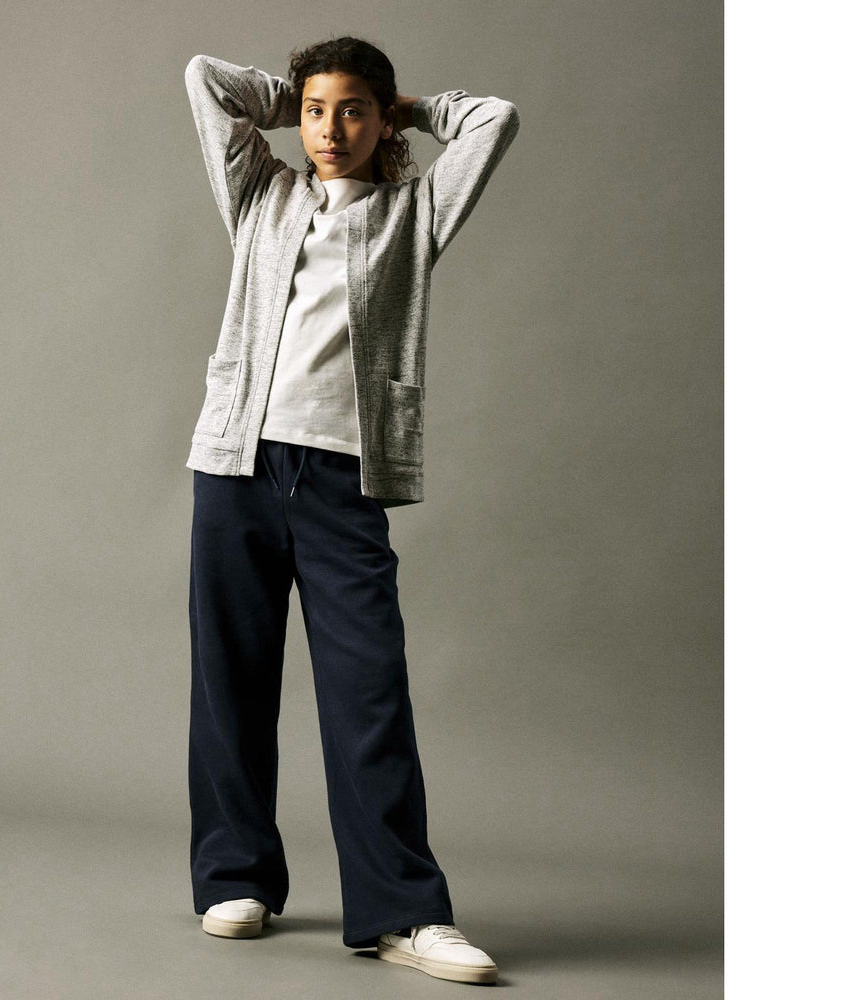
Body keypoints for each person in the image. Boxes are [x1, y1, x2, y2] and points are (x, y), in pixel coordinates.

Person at [183, 36, 519, 985]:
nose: (331, 129)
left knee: (368, 694)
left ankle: (402, 911)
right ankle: (235, 877)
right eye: (317, 112)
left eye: (354, 111)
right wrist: (295, 97)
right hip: (236, 466)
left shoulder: (415, 213)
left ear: (383, 120)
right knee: (230, 680)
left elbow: (495, 119)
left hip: (340, 481)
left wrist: (412, 106)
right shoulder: (261, 194)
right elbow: (206, 80)